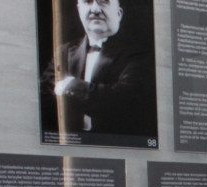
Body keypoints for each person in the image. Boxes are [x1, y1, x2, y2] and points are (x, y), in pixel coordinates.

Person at [39, 0, 156, 136]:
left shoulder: (141, 54)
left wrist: (70, 85)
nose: (95, 9)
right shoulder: (63, 52)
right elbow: (43, 99)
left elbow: (124, 99)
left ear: (118, 14)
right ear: (79, 10)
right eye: (87, 2)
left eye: (104, 2)